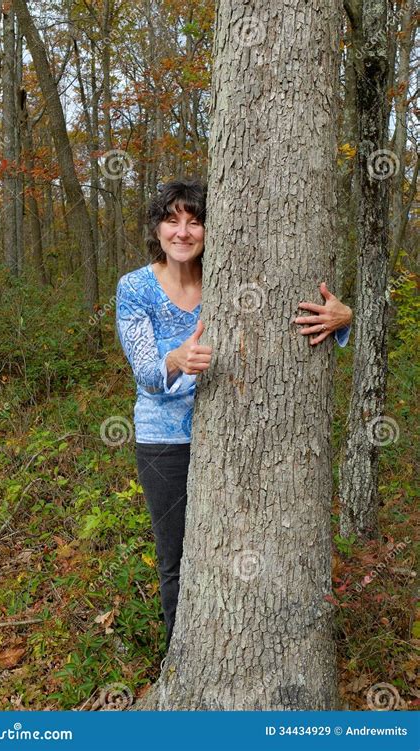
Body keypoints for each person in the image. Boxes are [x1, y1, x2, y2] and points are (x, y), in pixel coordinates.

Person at [115, 178, 352, 651]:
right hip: (167, 441)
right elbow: (145, 372)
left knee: (248, 549)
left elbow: (293, 317)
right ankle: (181, 662)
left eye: (194, 221)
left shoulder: (229, 277)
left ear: (209, 231)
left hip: (242, 435)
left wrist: (345, 319)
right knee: (177, 558)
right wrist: (176, 359)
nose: (182, 232)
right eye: (171, 220)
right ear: (157, 229)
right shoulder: (135, 287)